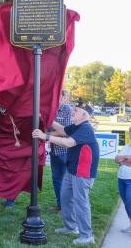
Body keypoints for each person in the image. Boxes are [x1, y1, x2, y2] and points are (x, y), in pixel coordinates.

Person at [32, 101, 99, 246]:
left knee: (81, 203)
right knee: (65, 197)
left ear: (84, 115)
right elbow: (63, 130)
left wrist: (46, 136)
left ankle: (87, 235)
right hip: (72, 170)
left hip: (83, 172)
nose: (72, 112)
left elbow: (68, 142)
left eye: (75, 111)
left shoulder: (86, 128)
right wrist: (47, 118)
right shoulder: (77, 126)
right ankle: (71, 227)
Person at [49, 90, 72, 213]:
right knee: (56, 179)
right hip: (54, 150)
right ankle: (61, 205)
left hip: (66, 151)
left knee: (67, 180)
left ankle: (68, 207)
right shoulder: (52, 109)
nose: (56, 99)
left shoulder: (68, 110)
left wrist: (46, 135)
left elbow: (66, 131)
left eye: (59, 97)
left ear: (64, 98)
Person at [115, 125, 131, 239]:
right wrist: (127, 160)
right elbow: (116, 159)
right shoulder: (126, 146)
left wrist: (124, 159)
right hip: (122, 178)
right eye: (130, 130)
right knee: (127, 203)